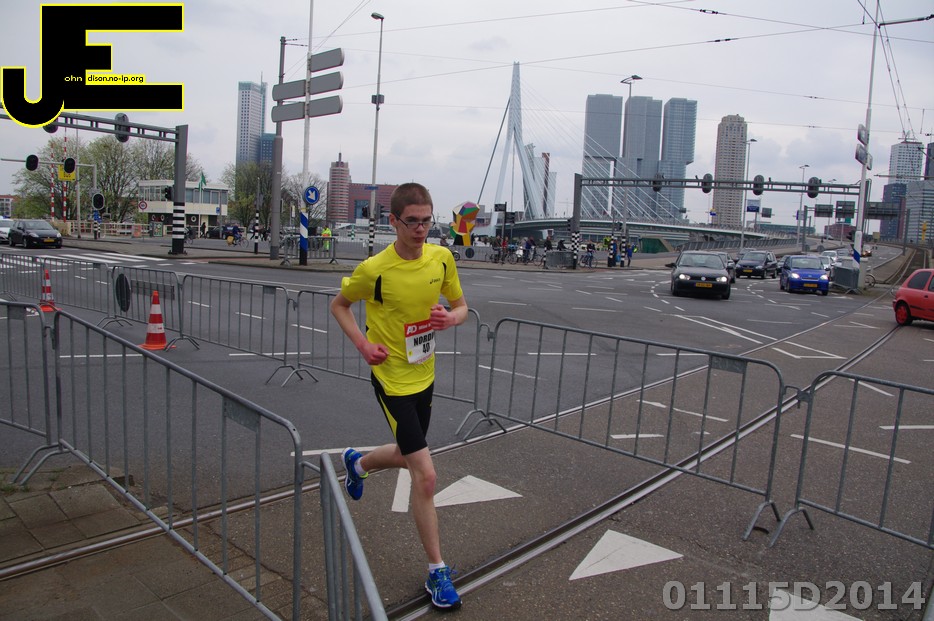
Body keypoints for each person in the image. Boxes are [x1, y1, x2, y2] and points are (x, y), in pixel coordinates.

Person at [330, 182, 467, 611]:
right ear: (393, 221)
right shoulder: (375, 270)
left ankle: (358, 463)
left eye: (427, 220)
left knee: (411, 454)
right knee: (425, 475)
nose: (421, 229)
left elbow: (461, 306)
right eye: (412, 222)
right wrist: (363, 345)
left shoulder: (441, 258)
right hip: (391, 381)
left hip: (425, 376)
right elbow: (339, 306)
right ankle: (437, 572)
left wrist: (450, 319)